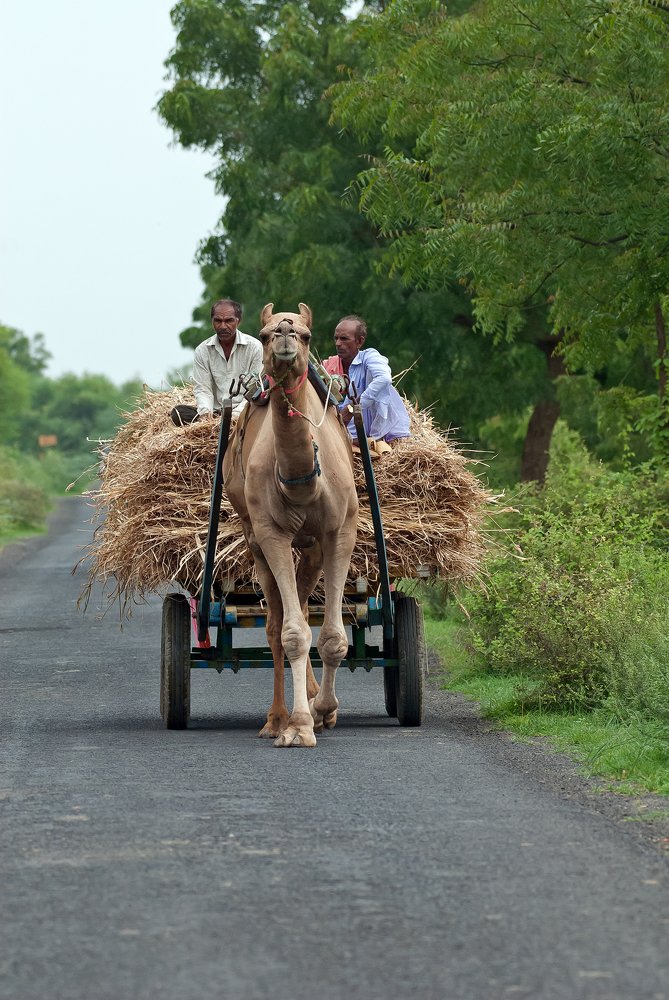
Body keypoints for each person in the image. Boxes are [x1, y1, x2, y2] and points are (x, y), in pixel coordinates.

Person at [171, 299, 263, 425]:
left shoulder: (255, 347)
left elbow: (254, 389)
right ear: (212, 321)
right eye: (218, 321)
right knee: (178, 413)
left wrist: (234, 417)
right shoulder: (203, 350)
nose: (223, 326)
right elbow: (203, 388)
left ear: (238, 321)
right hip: (215, 413)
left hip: (245, 411)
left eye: (229, 321)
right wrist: (205, 416)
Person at [322, 315, 410, 447]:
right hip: (339, 436)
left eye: (344, 339)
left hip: (378, 437)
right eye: (336, 338)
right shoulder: (328, 366)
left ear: (359, 342)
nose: (338, 343)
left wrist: (352, 409)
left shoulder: (369, 357)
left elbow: (384, 378)